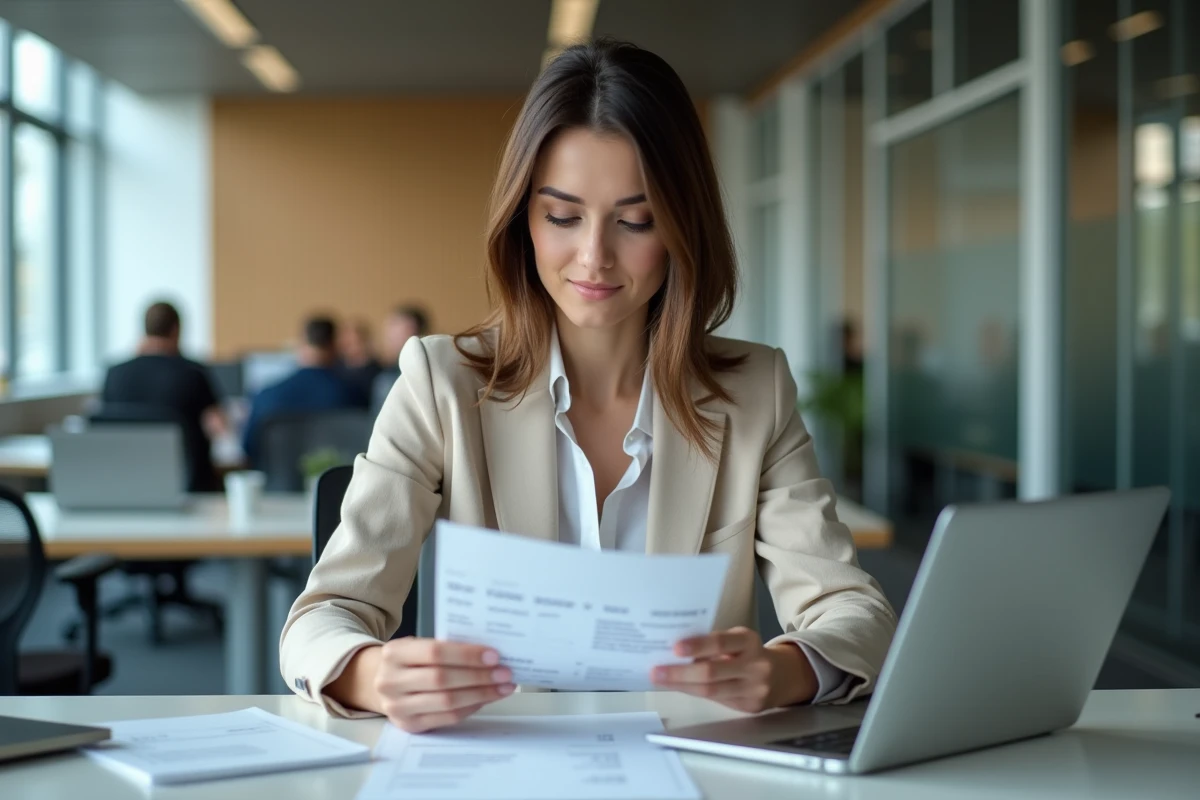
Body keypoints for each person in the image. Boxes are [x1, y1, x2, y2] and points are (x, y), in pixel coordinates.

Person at [281, 40, 896, 734]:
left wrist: (781, 670)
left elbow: (856, 614)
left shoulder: (755, 391)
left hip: (687, 764)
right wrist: (371, 673)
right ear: (523, 221)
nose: (594, 256)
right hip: (499, 764)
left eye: (636, 220)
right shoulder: (442, 382)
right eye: (563, 216)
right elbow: (321, 619)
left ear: (681, 227)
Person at [101, 301, 227, 492]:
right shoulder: (193, 372)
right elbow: (219, 428)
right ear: (176, 330)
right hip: (187, 487)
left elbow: (103, 428)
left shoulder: (114, 373)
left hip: (128, 487)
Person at [241, 315, 368, 463]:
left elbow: (248, 449)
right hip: (337, 482)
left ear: (300, 344)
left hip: (278, 484)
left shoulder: (266, 396)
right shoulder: (354, 395)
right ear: (335, 346)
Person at [371, 304, 431, 415]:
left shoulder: (388, 381)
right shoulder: (384, 371)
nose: (387, 335)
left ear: (411, 328)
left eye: (394, 325)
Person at [338, 318, 383, 401]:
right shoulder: (336, 367)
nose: (352, 348)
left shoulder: (377, 369)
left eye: (355, 342)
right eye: (348, 343)